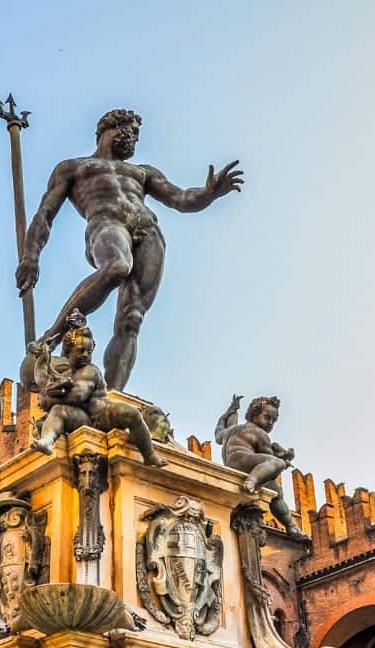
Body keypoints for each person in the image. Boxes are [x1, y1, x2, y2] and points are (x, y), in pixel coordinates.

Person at [16, 109, 243, 391]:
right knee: (116, 267)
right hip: (105, 224)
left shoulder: (143, 173)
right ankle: (52, 337)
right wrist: (31, 257)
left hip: (148, 231)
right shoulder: (73, 167)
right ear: (111, 128)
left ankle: (111, 397)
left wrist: (210, 193)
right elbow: (44, 215)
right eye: (131, 130)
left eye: (137, 134)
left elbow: (182, 199)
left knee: (132, 317)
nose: (135, 138)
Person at [29, 314, 166, 468]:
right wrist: (42, 358)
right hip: (85, 419)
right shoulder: (67, 375)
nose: (86, 355)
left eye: (89, 351)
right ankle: (47, 441)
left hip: (104, 414)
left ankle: (149, 454)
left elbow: (78, 395)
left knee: (130, 412)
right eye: (81, 351)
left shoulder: (90, 370)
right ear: (69, 351)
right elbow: (42, 380)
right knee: (58, 411)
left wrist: (50, 396)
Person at [216, 395, 304, 536]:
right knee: (278, 463)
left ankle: (291, 526)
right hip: (245, 462)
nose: (270, 423)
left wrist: (230, 411)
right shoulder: (260, 433)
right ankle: (252, 481)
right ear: (254, 414)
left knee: (276, 492)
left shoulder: (230, 430)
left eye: (273, 420)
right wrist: (284, 459)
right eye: (267, 417)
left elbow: (218, 433)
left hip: (232, 464)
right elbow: (269, 458)